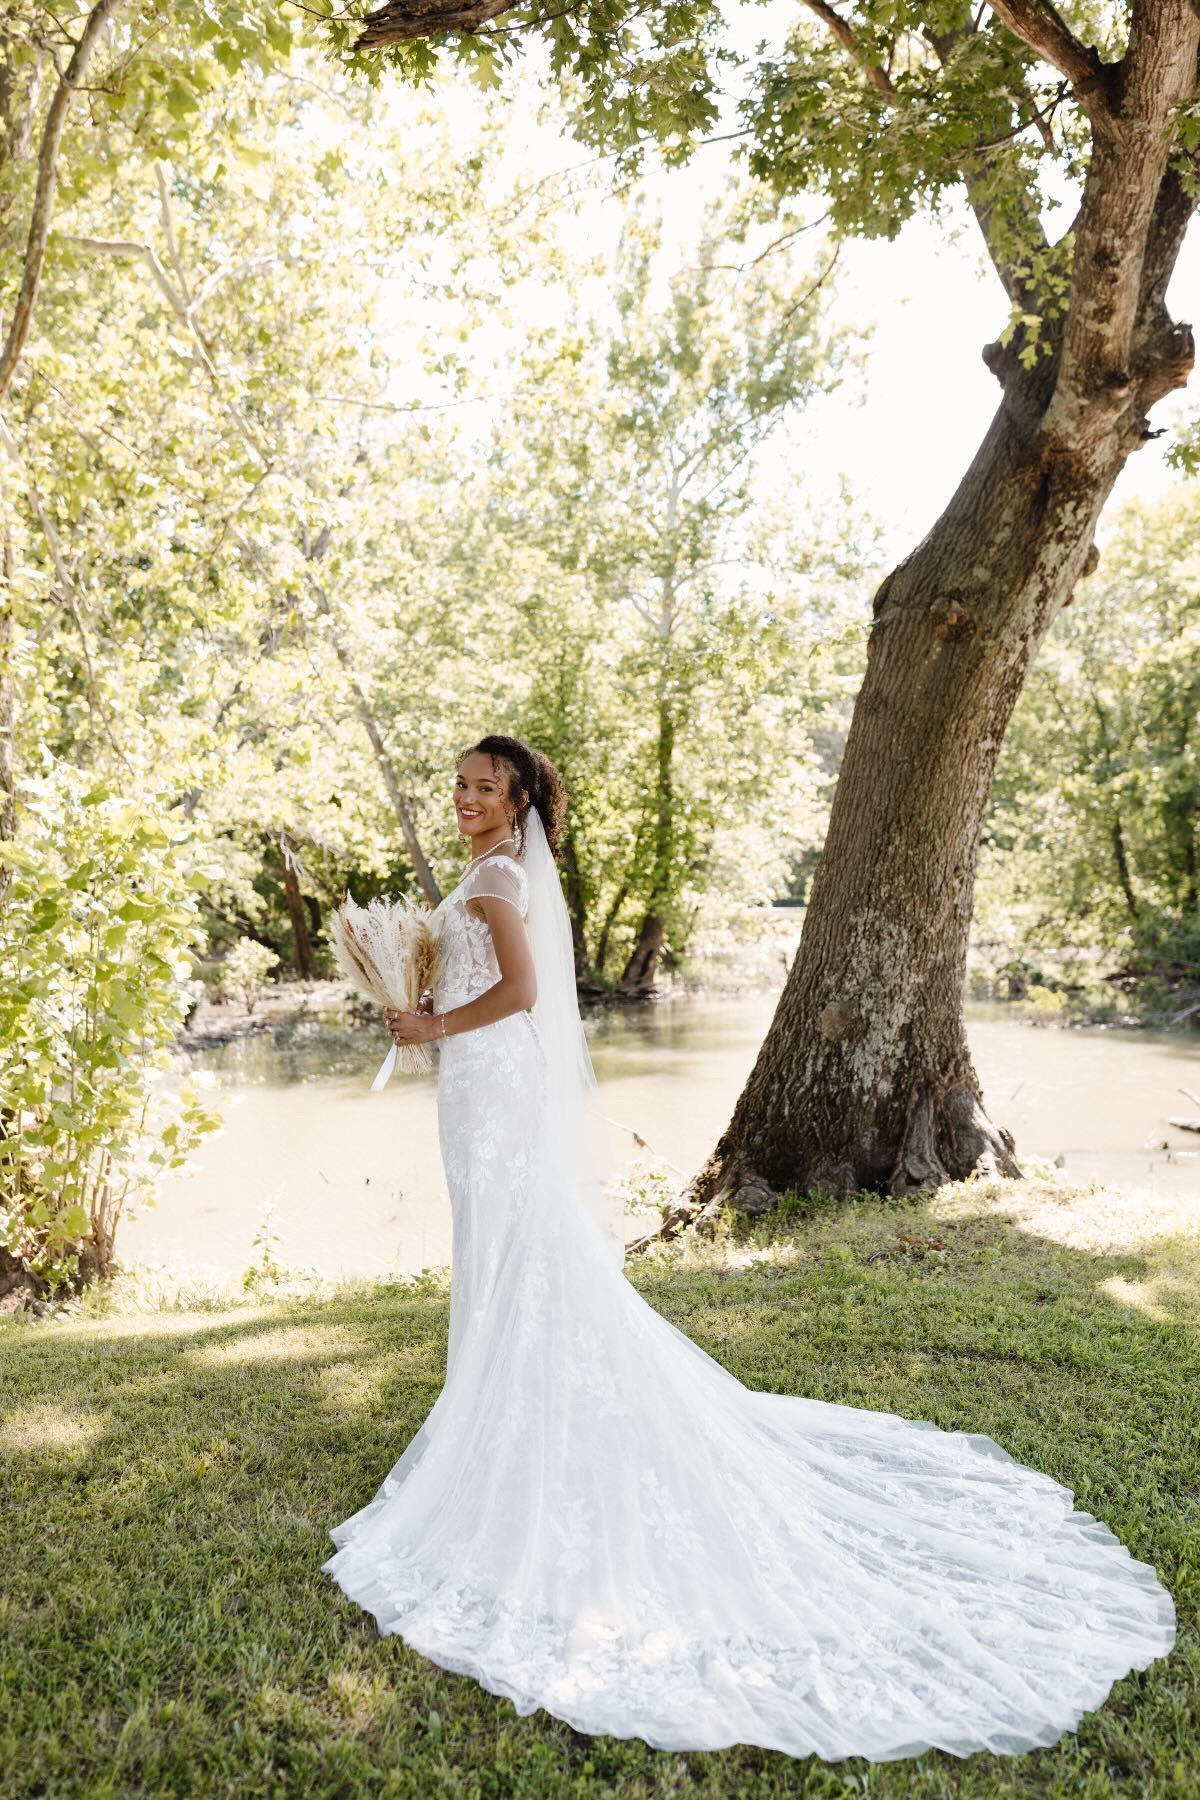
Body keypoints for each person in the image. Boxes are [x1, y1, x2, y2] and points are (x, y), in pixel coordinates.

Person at [323, 733, 1176, 1763]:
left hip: (492, 1086)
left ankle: (508, 1413)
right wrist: (425, 1015)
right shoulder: (490, 870)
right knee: (510, 1256)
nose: (463, 799)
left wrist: (432, 1026)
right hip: (484, 1091)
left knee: (520, 1255)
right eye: (457, 785)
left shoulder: (500, 880)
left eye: (481, 789)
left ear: (518, 804)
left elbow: (523, 995)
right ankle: (500, 1393)